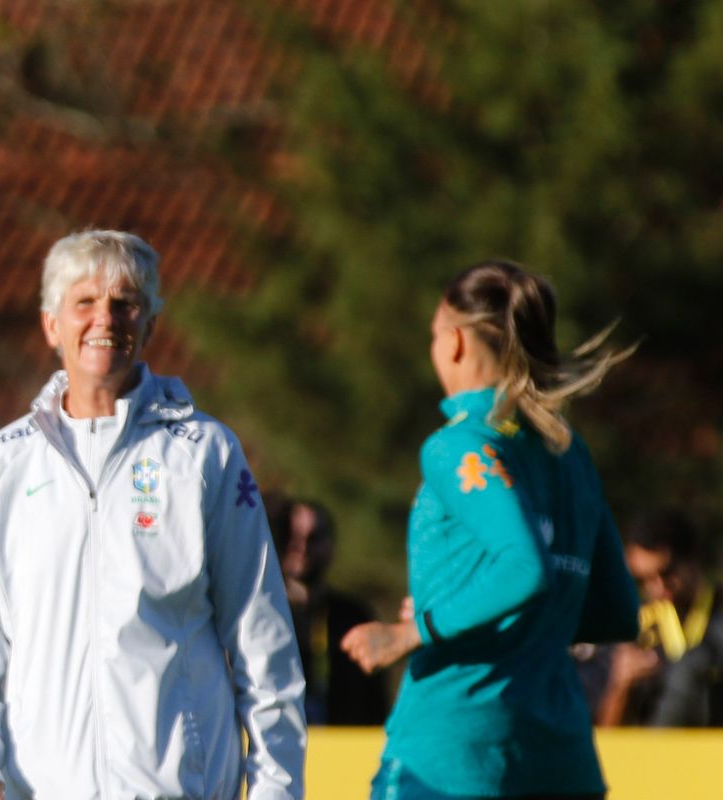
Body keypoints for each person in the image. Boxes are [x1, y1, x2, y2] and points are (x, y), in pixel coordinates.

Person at [0, 230, 306, 800]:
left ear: (149, 324)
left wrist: (277, 790)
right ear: (51, 325)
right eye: (84, 301)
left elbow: (263, 640)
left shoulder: (206, 453)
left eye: (125, 302)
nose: (105, 317)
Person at [341, 260, 641, 800]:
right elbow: (617, 610)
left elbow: (525, 569)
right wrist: (491, 617)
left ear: (453, 342)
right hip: (560, 756)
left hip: (459, 754)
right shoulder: (570, 453)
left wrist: (415, 631)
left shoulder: (459, 444)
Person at [264, 493, 388, 725]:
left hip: (341, 753)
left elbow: (375, 705)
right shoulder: (259, 617)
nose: (301, 547)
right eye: (292, 536)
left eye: (314, 537)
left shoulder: (353, 617)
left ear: (331, 546)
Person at [596, 509, 723, 727]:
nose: (657, 587)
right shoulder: (634, 626)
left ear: (692, 557)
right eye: (643, 579)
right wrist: (620, 685)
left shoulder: (717, 611)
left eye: (666, 573)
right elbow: (605, 736)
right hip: (655, 757)